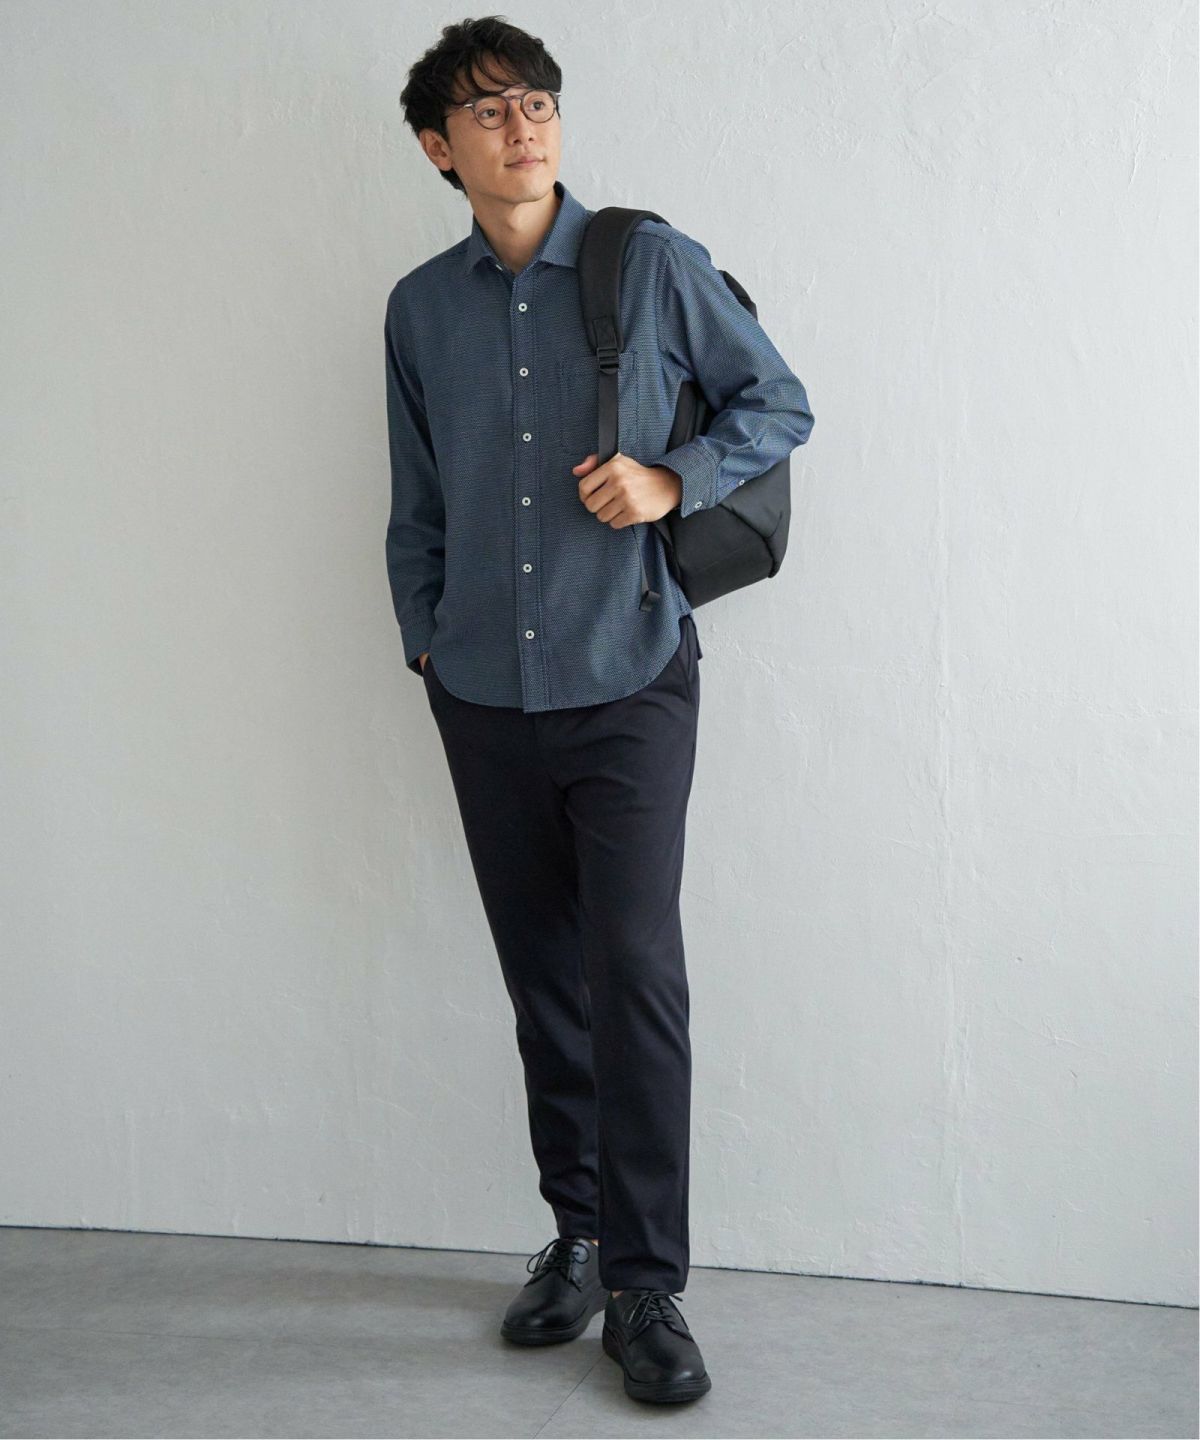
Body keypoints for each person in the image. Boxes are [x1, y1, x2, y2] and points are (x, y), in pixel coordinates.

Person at [387, 16, 814, 1406]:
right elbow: (418, 499)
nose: (522, 125)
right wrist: (424, 639)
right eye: (487, 110)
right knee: (543, 979)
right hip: (481, 689)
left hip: (628, 673)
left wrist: (672, 478)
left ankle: (646, 1285)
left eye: (537, 100)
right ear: (439, 148)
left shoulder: (649, 265)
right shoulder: (420, 309)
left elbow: (778, 402)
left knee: (633, 976)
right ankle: (573, 1236)